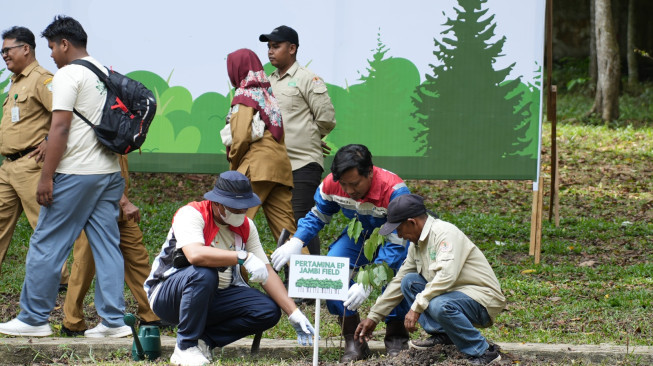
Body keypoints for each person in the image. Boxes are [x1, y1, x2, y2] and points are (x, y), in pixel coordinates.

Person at [0, 16, 128, 337]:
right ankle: (114, 322)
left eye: (52, 48)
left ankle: (32, 319)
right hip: (108, 173)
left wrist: (45, 178)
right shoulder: (102, 71)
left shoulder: (68, 74)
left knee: (45, 242)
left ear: (65, 44)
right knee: (106, 246)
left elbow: (59, 128)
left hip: (79, 172)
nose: (52, 56)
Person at [144, 171, 315, 366]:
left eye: (245, 207)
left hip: (215, 297)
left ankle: (203, 342)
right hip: (169, 296)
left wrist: (294, 313)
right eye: (235, 208)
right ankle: (185, 346)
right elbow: (195, 255)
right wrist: (242, 257)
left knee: (267, 310)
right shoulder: (192, 214)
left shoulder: (246, 226)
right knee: (205, 272)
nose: (241, 212)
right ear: (217, 203)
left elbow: (267, 272)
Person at [270, 144, 411, 362]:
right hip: (360, 234)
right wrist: (297, 241)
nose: (349, 190)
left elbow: (396, 244)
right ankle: (354, 340)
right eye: (343, 184)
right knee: (332, 273)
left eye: (354, 184)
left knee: (394, 276)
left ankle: (396, 336)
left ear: (370, 173)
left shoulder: (394, 191)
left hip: (393, 235)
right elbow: (318, 215)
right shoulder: (331, 185)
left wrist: (368, 282)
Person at [355, 194, 507, 366]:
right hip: (454, 297)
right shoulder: (417, 244)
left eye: (398, 229)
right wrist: (374, 316)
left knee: (438, 304)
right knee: (408, 281)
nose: (400, 235)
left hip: (483, 300)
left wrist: (416, 307)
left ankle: (484, 351)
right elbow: (399, 281)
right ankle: (444, 335)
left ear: (412, 222)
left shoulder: (444, 234)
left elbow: (446, 277)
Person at [61, 155, 161, 336]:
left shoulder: (118, 132)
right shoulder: (97, 131)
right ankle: (72, 322)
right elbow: (97, 169)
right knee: (84, 265)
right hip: (95, 208)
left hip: (121, 211)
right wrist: (124, 201)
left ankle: (152, 313)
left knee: (137, 259)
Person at [259, 25, 336, 256]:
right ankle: (292, 281)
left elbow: (327, 119)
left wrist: (310, 137)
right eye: (269, 47)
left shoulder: (307, 79)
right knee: (284, 223)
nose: (271, 51)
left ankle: (311, 286)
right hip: (275, 166)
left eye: (276, 46)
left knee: (303, 221)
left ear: (292, 49)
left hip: (302, 163)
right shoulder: (267, 81)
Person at [223, 48, 297, 243]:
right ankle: (303, 272)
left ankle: (232, 272)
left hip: (256, 166)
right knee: (287, 232)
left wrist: (234, 169)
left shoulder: (244, 95)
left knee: (235, 222)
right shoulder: (266, 94)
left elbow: (240, 139)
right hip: (280, 169)